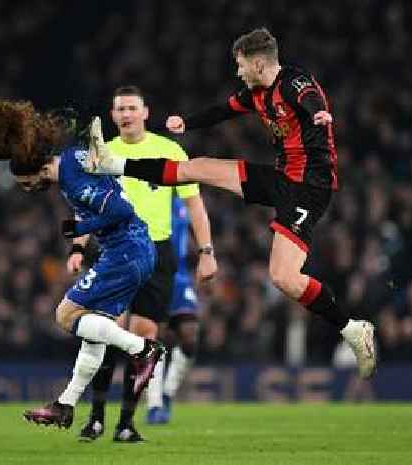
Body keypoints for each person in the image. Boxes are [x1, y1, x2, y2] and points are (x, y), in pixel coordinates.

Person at [83, 28, 376, 379]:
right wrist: (186, 123)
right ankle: (114, 164)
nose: (237, 72)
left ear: (257, 62)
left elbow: (310, 98)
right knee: (199, 168)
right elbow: (223, 110)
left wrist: (319, 115)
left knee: (283, 277)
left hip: (309, 188)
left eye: (240, 65)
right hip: (282, 179)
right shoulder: (256, 94)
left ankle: (352, 330)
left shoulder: (293, 83)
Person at [0, 99, 165, 429]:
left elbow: (119, 210)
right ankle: (65, 405)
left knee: (66, 315)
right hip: (133, 251)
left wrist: (80, 229)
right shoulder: (71, 164)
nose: (28, 189)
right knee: (94, 332)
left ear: (38, 169)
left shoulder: (73, 179)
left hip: (126, 251)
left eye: (26, 183)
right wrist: (80, 242)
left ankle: (142, 349)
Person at [70, 86, 216, 442]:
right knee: (107, 332)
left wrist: (207, 251)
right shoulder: (102, 154)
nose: (126, 114)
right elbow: (87, 205)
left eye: (132, 108)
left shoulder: (168, 150)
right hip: (116, 250)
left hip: (158, 252)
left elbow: (195, 204)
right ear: (113, 113)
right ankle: (96, 418)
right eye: (120, 108)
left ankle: (126, 423)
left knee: (144, 337)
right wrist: (77, 246)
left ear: (145, 112)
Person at [148, 195, 203, 424]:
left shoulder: (184, 202)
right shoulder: (148, 198)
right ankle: (154, 404)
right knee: (155, 341)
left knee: (189, 337)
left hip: (180, 278)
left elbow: (193, 233)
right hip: (155, 275)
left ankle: (168, 393)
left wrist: (202, 253)